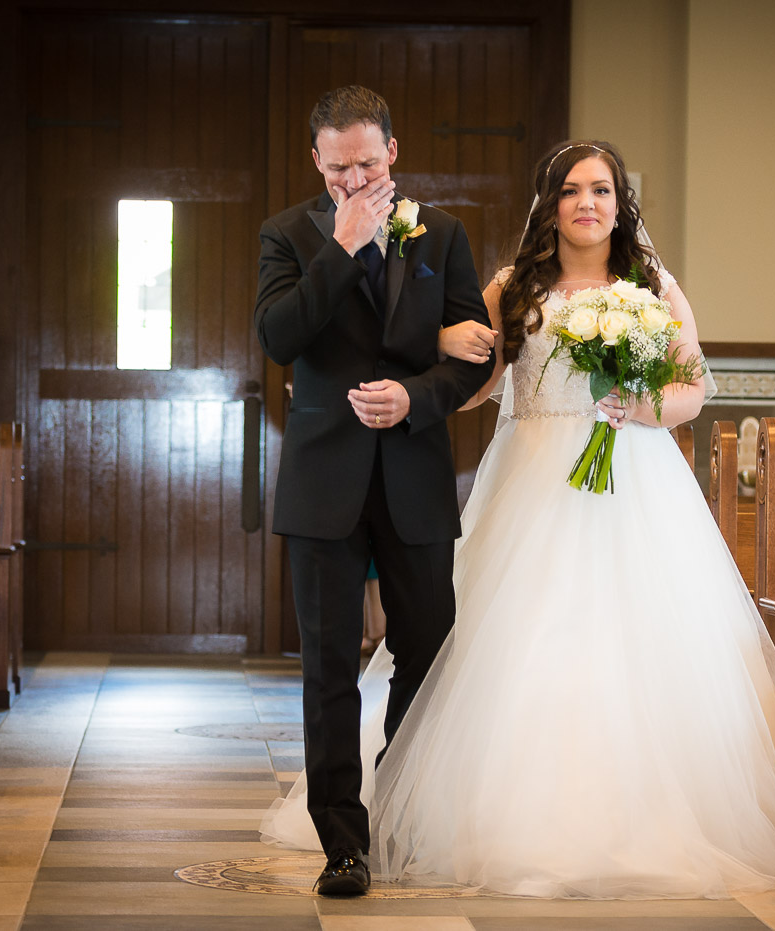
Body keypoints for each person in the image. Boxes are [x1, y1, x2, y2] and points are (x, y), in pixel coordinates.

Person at [261, 139, 775, 898]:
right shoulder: (510, 287)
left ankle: (634, 820)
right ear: (548, 204)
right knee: (506, 645)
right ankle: (445, 814)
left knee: (634, 650)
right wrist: (432, 350)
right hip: (529, 479)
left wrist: (644, 406)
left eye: (599, 189)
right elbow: (467, 381)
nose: (585, 202)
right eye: (568, 190)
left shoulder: (649, 284)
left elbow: (693, 385)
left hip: (632, 479)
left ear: (621, 204)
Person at [254, 85, 493, 896]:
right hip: (323, 480)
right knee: (326, 665)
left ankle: (397, 803)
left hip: (413, 475)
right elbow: (282, 336)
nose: (353, 181)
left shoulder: (444, 234)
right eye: (336, 169)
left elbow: (472, 356)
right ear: (315, 162)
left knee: (425, 646)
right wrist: (341, 247)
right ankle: (343, 843)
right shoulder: (287, 234)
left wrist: (414, 398)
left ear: (392, 151)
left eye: (366, 163)